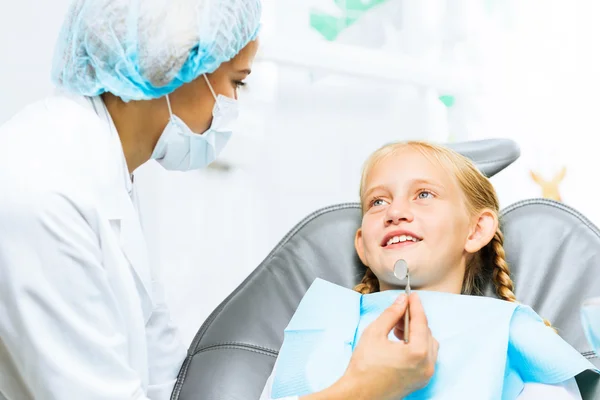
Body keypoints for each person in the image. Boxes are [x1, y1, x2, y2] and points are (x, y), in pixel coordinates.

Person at [0, 1, 438, 399]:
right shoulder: (45, 195)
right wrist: (362, 389)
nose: (231, 105)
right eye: (236, 83)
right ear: (175, 65)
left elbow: (169, 376)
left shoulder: (102, 169)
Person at [260, 141, 596, 399]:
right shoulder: (320, 323)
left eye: (423, 194)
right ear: (362, 245)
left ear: (476, 230)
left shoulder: (514, 334)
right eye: (378, 201)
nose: (395, 211)